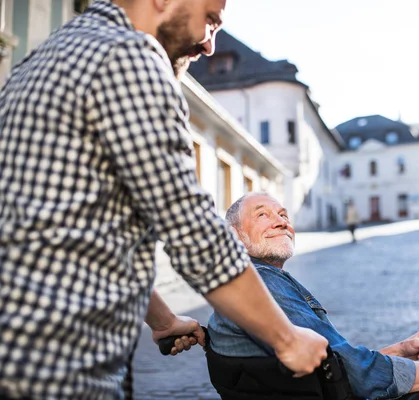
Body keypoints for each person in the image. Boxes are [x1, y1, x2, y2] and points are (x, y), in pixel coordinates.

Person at [0, 1, 328, 398]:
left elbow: (74, 233)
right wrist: (286, 339)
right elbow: (195, 234)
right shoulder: (133, 58)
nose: (209, 45)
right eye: (210, 19)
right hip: (60, 365)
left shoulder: (44, 61)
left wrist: (161, 319)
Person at [208, 193, 419, 400]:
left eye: (283, 215)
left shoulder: (255, 281)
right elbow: (354, 373)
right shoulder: (263, 283)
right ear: (234, 236)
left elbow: (333, 362)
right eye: (262, 215)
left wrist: (400, 349)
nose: (281, 222)